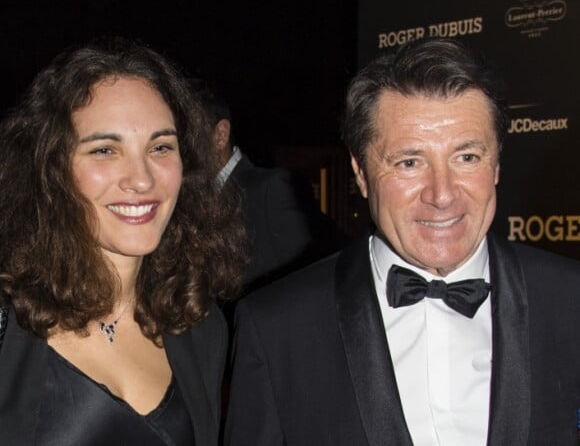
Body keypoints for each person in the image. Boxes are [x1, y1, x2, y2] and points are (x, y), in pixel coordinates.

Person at [225, 38, 580, 445]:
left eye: (466, 157)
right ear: (360, 174)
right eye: (409, 162)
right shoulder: (276, 329)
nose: (442, 194)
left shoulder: (571, 301)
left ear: (496, 163)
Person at [0, 37, 248, 445]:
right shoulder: (8, 324)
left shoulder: (200, 326)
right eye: (105, 150)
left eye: (161, 147)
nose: (142, 179)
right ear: (51, 168)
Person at [190, 80, 347, 290]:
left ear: (220, 135)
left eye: (188, 136)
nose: (180, 148)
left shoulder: (270, 189)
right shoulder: (190, 200)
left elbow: (312, 282)